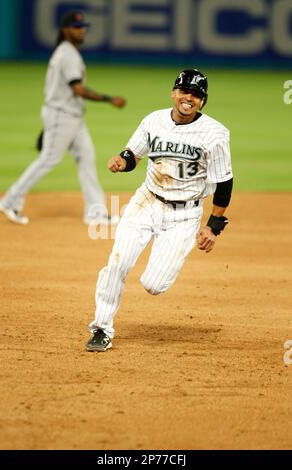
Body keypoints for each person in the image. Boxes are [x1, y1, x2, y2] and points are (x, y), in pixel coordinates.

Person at [86, 69, 233, 352]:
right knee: (117, 263)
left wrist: (213, 227)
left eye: (196, 95)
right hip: (146, 202)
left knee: (154, 285)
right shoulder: (153, 120)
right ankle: (101, 328)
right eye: (184, 91)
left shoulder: (215, 133)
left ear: (203, 100)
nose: (188, 98)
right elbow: (133, 155)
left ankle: (155, 274)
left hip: (185, 215)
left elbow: (224, 182)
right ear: (173, 92)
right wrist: (121, 161)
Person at [0, 11, 126, 225]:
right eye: (76, 26)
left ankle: (95, 213)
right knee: (48, 159)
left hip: (69, 117)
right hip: (62, 116)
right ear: (65, 30)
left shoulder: (68, 52)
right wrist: (109, 99)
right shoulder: (67, 54)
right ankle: (10, 200)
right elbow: (78, 89)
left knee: (87, 159)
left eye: (83, 26)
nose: (81, 30)